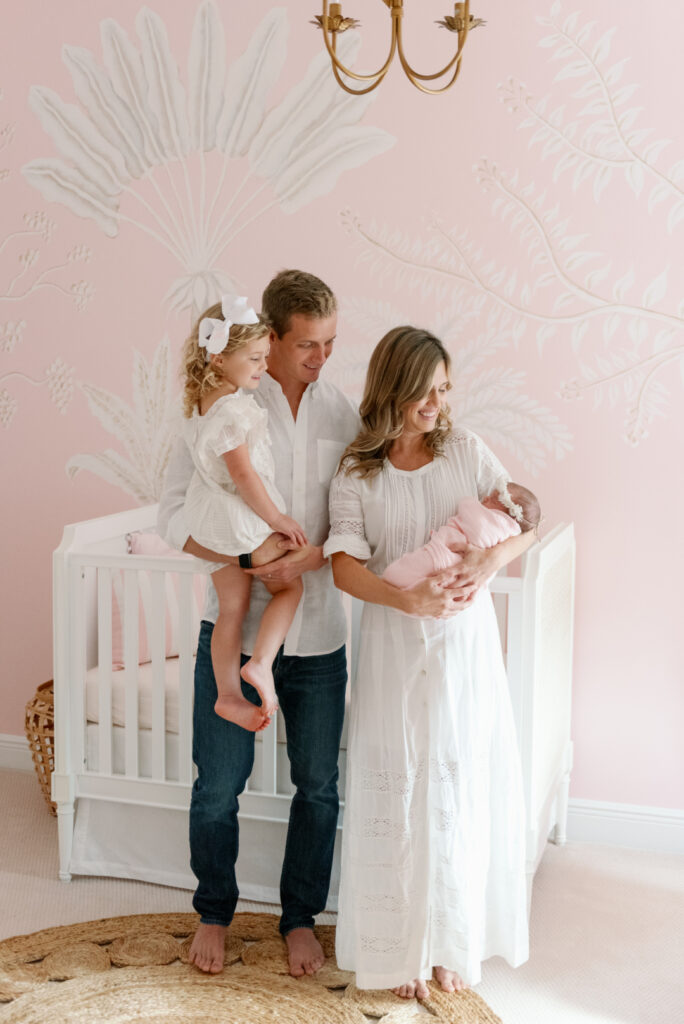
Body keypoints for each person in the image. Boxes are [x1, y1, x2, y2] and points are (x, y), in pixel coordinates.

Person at [157, 270, 362, 977]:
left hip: (319, 635)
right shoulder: (226, 403)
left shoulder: (343, 413)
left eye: (330, 343)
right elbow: (173, 517)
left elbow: (356, 515)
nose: (321, 357)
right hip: (236, 626)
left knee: (320, 787)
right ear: (268, 338)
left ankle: (300, 918)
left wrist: (310, 559)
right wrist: (248, 560)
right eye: (307, 344)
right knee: (216, 787)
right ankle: (214, 909)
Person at [323, 326, 536, 998]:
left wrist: (489, 559)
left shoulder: (466, 451)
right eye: (426, 390)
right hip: (394, 641)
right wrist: (401, 596)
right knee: (399, 780)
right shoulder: (359, 468)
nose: (438, 404)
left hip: (461, 646)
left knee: (454, 783)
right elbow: (343, 567)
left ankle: (452, 941)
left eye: (445, 389)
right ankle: (399, 945)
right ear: (395, 388)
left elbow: (524, 517)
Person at [181, 295, 307, 732]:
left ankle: (228, 696)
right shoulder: (233, 411)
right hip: (241, 520)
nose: (261, 367)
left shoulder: (201, 406)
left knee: (230, 609)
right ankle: (261, 662)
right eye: (254, 359)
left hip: (211, 519)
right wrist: (277, 519)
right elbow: (245, 476)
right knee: (290, 590)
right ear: (218, 358)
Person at [383, 482, 540, 591]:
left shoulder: (489, 523)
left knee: (395, 575)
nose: (484, 499)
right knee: (425, 591)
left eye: (493, 499)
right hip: (458, 573)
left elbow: (466, 506)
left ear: (508, 515)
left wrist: (493, 558)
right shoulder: (507, 529)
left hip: (444, 557)